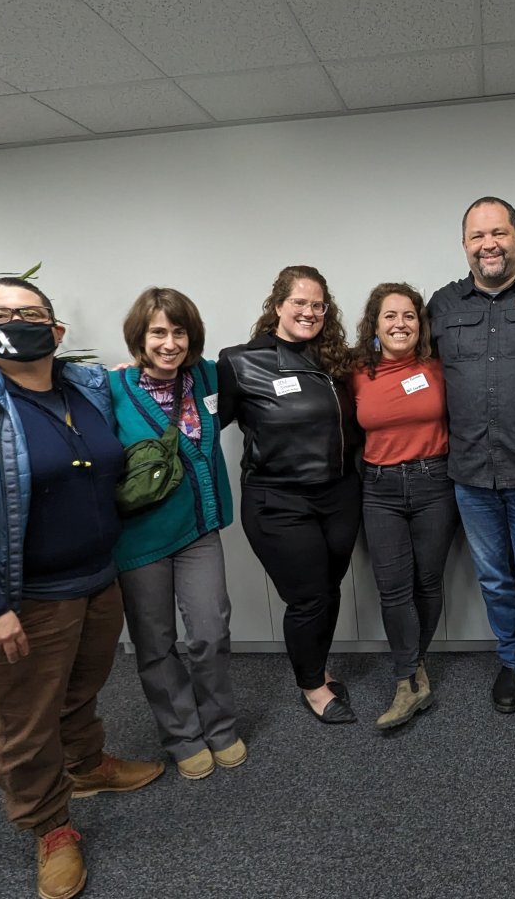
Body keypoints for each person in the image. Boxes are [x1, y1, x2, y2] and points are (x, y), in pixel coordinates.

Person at [0, 278, 164, 899]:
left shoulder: (85, 389)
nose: (15, 322)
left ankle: (86, 766)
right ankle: (49, 825)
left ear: (56, 330)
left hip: (94, 580)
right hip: (15, 596)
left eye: (31, 313)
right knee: (24, 717)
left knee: (78, 689)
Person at [428, 196, 515, 754]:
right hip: (470, 473)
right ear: (464, 245)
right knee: (495, 580)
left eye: (499, 233)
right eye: (477, 235)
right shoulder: (442, 303)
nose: (489, 244)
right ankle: (513, 659)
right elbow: (399, 359)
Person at [217, 266, 361, 724]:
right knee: (308, 598)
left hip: (339, 496)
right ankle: (312, 687)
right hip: (278, 502)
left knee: (329, 591)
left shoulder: (336, 360)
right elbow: (201, 417)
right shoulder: (240, 362)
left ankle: (317, 667)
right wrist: (135, 381)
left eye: (318, 305)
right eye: (299, 302)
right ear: (278, 305)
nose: (309, 312)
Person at [110, 287, 243, 779]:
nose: (170, 343)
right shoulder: (110, 389)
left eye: (179, 332)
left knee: (210, 632)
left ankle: (220, 726)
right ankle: (184, 736)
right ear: (139, 338)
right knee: (156, 643)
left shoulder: (207, 376)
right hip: (140, 540)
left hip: (199, 531)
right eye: (158, 332)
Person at [352, 283, 457, 729]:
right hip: (380, 489)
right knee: (393, 589)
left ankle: (415, 668)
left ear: (421, 323)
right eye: (390, 316)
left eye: (409, 315)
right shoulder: (355, 372)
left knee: (428, 584)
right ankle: (405, 681)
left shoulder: (439, 367)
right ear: (374, 325)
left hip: (435, 482)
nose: (400, 324)